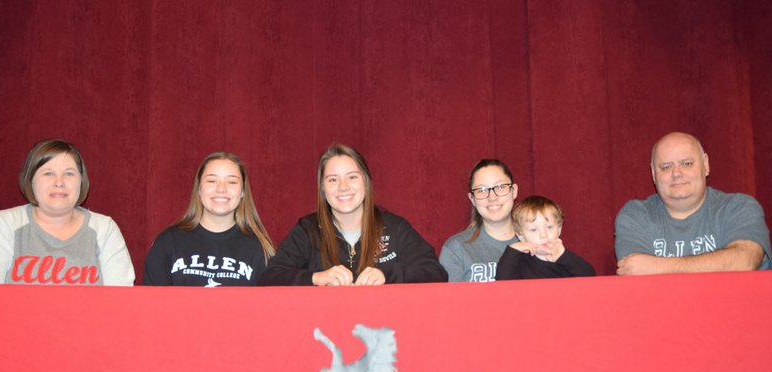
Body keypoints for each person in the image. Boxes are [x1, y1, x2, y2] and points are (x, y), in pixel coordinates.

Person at [258, 143, 447, 286]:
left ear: (366, 182)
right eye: (333, 179)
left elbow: (435, 273)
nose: (343, 187)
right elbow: (270, 277)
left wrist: (386, 275)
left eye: (352, 177)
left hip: (380, 328)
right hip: (324, 329)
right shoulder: (308, 230)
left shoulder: (394, 227)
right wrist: (315, 277)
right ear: (323, 188)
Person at [0, 138, 135, 285]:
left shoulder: (104, 229)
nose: (59, 182)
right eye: (48, 173)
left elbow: (121, 299)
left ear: (81, 181)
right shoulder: (3, 225)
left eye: (69, 173)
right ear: (30, 180)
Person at [615, 132, 771, 275]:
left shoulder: (739, 207)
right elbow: (634, 274)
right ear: (654, 174)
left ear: (705, 165)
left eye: (687, 163)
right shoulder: (635, 215)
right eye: (666, 167)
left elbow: (744, 262)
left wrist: (657, 267)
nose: (676, 173)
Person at [142, 152, 275, 286]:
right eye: (212, 181)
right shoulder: (168, 243)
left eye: (232, 181)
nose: (221, 189)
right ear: (199, 188)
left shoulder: (260, 249)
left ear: (242, 192)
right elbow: (151, 303)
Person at [439, 159, 520, 282]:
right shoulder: (456, 249)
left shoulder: (540, 241)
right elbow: (448, 300)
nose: (492, 197)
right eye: (481, 190)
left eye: (500, 187)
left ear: (513, 191)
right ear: (472, 199)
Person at [495, 195, 595, 280]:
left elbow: (590, 277)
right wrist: (513, 251)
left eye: (549, 227)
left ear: (559, 229)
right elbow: (502, 282)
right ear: (521, 236)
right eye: (534, 230)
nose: (543, 235)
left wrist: (564, 256)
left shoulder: (565, 261)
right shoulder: (520, 263)